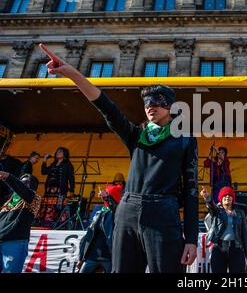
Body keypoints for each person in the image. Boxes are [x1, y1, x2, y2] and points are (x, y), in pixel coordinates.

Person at [39, 43, 198, 273]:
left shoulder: (185, 140)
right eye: (146, 103)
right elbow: (106, 107)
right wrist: (71, 73)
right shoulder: (136, 135)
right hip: (127, 211)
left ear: (170, 105)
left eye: (157, 101)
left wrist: (191, 238)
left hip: (164, 212)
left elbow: (191, 191)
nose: (150, 106)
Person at [200, 185, 247, 273]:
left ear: (233, 199)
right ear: (221, 199)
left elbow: (245, 235)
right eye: (224, 195)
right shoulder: (217, 211)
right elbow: (211, 206)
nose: (227, 197)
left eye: (229, 195)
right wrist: (207, 198)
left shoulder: (240, 213)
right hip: (219, 248)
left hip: (236, 249)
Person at [77, 183, 124, 273]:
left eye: (108, 194)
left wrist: (107, 197)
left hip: (109, 258)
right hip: (92, 257)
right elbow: (88, 236)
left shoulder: (117, 213)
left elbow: (114, 207)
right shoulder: (99, 212)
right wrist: (81, 257)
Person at [0, 171, 41, 273]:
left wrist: (9, 177)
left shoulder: (34, 198)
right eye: (21, 182)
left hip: (15, 242)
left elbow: (23, 190)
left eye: (26, 183)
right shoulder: (7, 202)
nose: (22, 184)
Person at [37, 147, 75, 227]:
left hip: (60, 190)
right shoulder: (53, 164)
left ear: (64, 154)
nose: (57, 153)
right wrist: (44, 160)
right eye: (57, 151)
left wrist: (72, 190)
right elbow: (44, 172)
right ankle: (46, 223)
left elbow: (71, 178)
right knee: (47, 206)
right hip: (49, 190)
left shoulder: (67, 164)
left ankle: (57, 224)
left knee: (58, 206)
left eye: (60, 151)